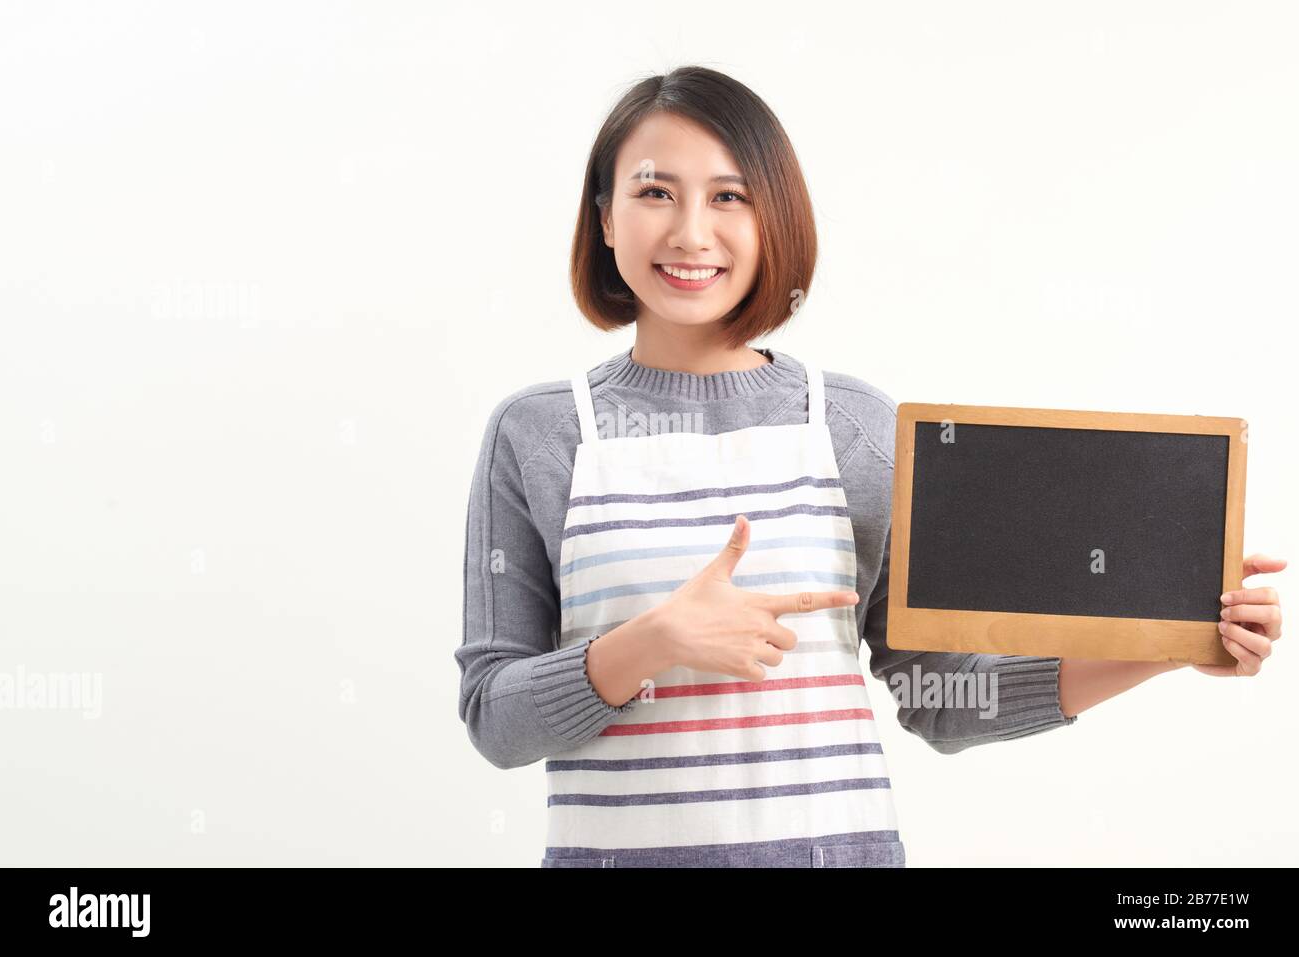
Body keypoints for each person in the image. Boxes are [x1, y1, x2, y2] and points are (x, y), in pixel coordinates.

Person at [456, 65, 1285, 868]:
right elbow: (494, 717)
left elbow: (942, 695)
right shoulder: (539, 432)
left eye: (729, 196)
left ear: (774, 219)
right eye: (654, 192)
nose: (690, 232)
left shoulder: (854, 425)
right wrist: (650, 641)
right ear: (604, 218)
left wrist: (1174, 640)